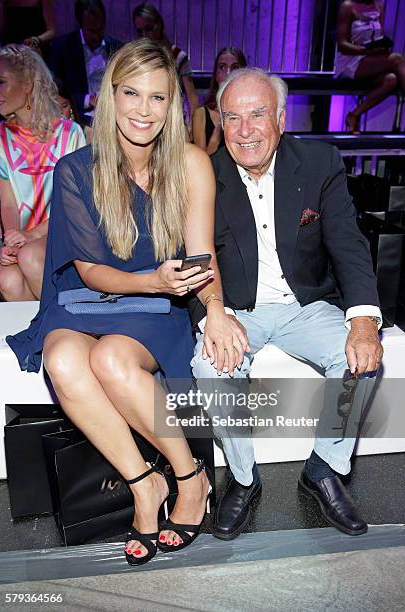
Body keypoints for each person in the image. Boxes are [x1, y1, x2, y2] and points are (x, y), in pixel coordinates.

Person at [7, 39, 246, 565]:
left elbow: (201, 257)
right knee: (64, 357)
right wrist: (154, 281)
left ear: (172, 106)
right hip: (88, 297)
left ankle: (189, 477)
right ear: (109, 96)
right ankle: (145, 486)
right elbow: (90, 272)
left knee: (111, 359)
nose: (143, 109)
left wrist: (213, 309)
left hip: (155, 309)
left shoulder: (189, 163)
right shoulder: (76, 168)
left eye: (158, 98)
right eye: (131, 93)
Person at [190, 67, 383, 541]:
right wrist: (216, 315)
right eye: (232, 117)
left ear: (279, 118)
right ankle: (241, 478)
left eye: (257, 115)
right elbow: (192, 254)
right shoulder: (205, 176)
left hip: (306, 304)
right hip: (238, 307)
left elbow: (348, 244)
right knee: (211, 368)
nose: (244, 130)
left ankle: (323, 467)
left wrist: (363, 322)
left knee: (359, 360)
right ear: (219, 120)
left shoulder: (318, 163)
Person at [0, 44, 86, 301]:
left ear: (27, 84)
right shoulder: (1, 139)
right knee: (7, 277)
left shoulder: (70, 134)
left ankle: (61, 327)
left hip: (63, 235)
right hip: (25, 239)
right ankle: (37, 338)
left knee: (31, 256)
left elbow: (74, 207)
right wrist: (13, 241)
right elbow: (9, 204)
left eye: (1, 82)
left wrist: (31, 236)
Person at [335, 0, 405, 134]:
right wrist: (365, 51)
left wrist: (381, 47)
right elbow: (342, 44)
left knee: (391, 80)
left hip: (370, 58)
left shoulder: (379, 6)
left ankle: (354, 115)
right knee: (398, 59)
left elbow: (380, 37)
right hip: (350, 60)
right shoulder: (348, 6)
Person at [49, 0, 122, 120]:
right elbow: (54, 90)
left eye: (100, 29)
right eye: (91, 31)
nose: (97, 36)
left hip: (112, 113)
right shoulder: (62, 48)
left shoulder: (116, 47)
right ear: (80, 25)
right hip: (78, 115)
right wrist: (89, 100)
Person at [132, 2, 198, 128]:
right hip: (146, 119)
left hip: (174, 121)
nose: (145, 36)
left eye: (149, 28)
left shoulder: (177, 56)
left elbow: (192, 96)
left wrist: (191, 127)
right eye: (140, 32)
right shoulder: (138, 58)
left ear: (159, 25)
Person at [192, 46, 247, 155]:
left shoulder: (250, 114)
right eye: (222, 67)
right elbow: (200, 164)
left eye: (235, 68)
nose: (228, 73)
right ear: (216, 75)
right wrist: (217, 131)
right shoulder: (201, 114)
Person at [55, 78, 93, 144]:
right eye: (54, 108)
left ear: (71, 104)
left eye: (64, 106)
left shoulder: (89, 128)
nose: (60, 113)